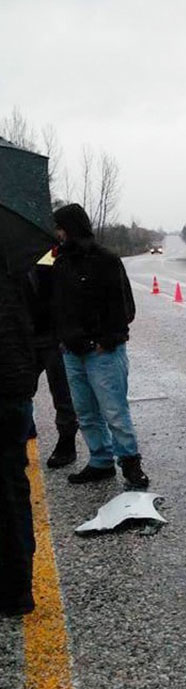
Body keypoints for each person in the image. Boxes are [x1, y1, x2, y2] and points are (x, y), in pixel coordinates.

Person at [51, 204, 149, 489]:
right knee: (86, 412)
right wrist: (63, 339)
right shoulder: (60, 264)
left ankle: (130, 463)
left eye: (60, 227)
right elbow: (57, 306)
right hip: (72, 352)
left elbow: (123, 306)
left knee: (115, 411)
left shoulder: (105, 260)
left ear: (70, 228)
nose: (57, 233)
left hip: (102, 352)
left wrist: (106, 341)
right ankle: (100, 460)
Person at [0, 259, 38, 617]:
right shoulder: (17, 268)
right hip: (17, 391)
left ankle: (13, 588)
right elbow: (40, 323)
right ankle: (20, 584)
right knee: (13, 484)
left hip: (9, 389)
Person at [24, 251, 79, 467]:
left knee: (63, 395)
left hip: (55, 338)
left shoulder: (58, 257)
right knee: (20, 391)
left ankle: (67, 444)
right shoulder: (17, 258)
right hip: (29, 338)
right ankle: (24, 431)